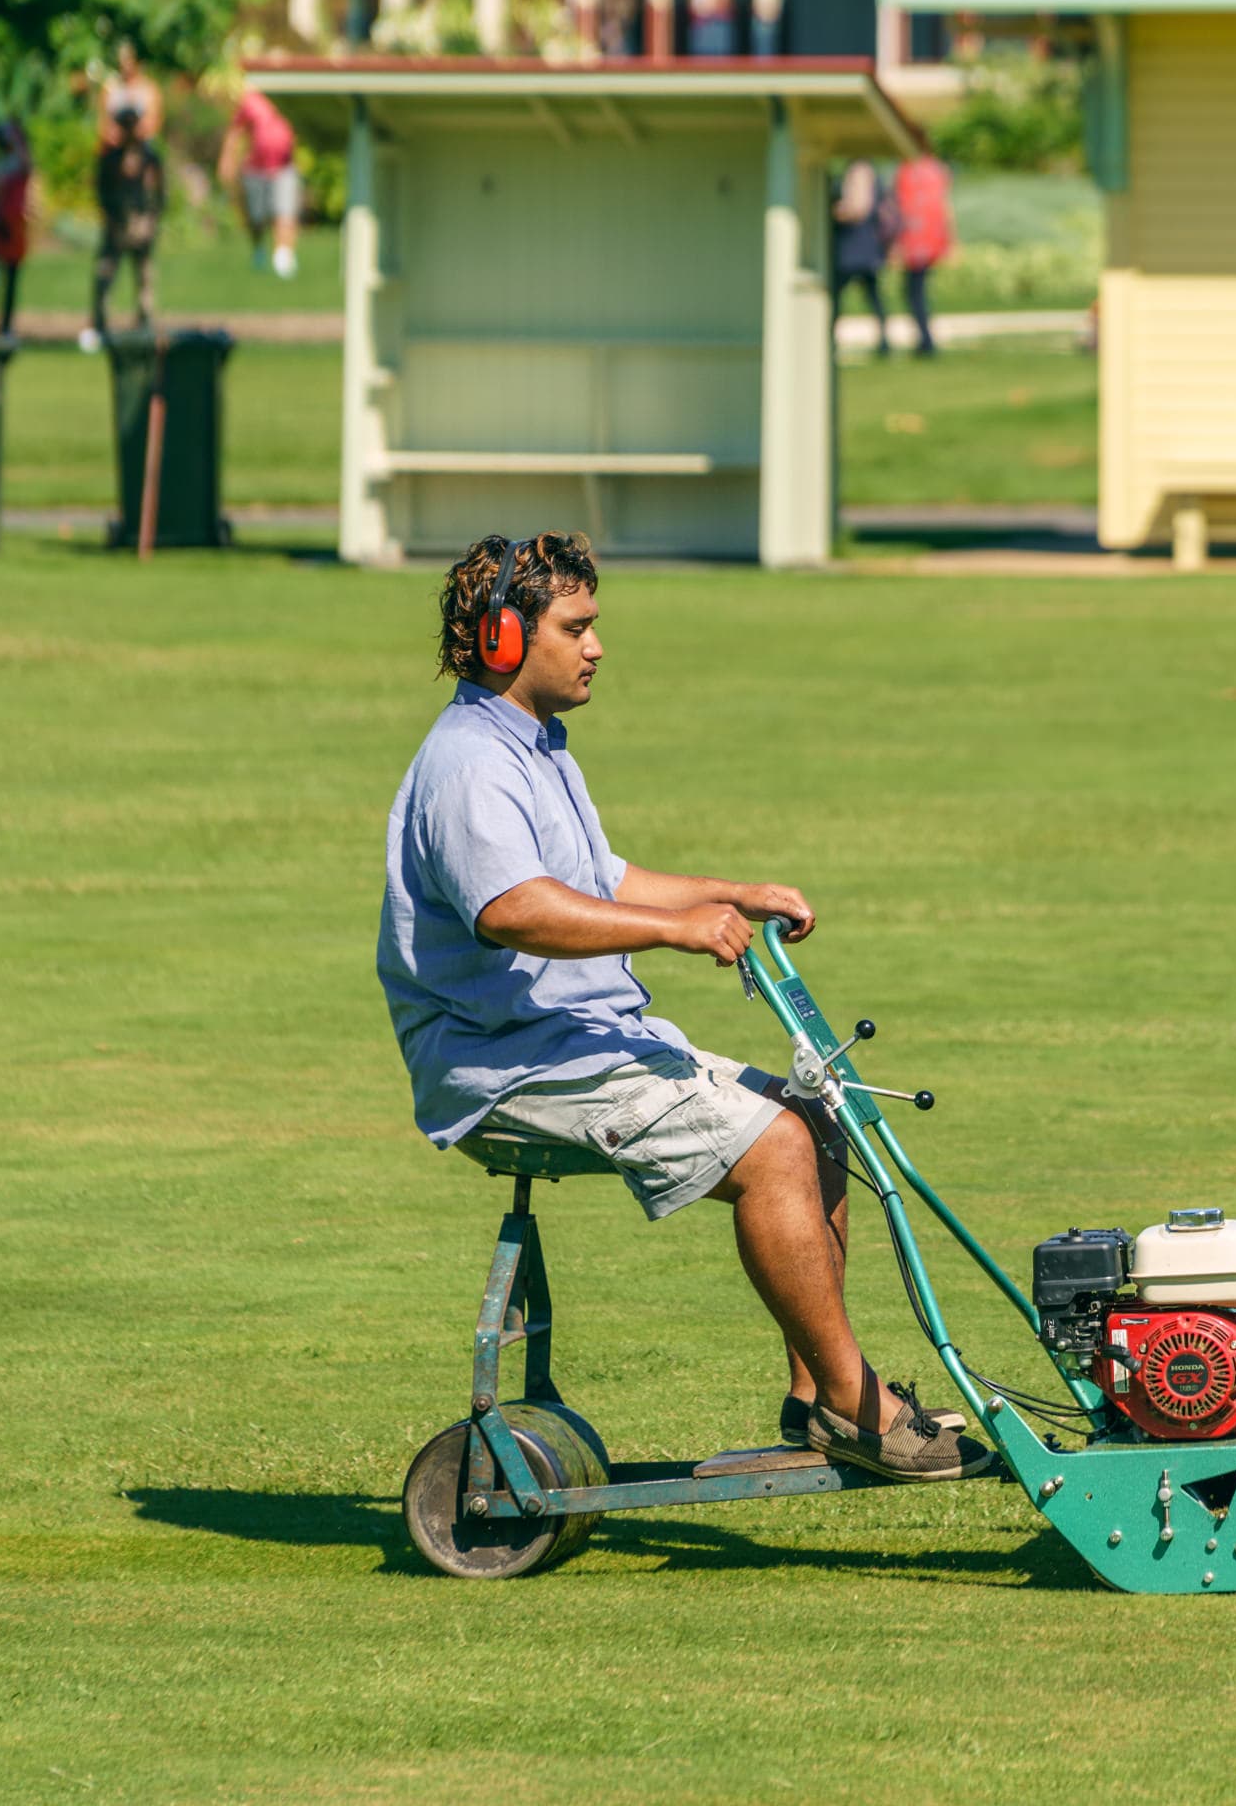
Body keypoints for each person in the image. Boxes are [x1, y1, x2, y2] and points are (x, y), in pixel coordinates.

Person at [378, 533, 995, 1484]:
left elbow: (599, 877)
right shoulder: (470, 764)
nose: (596, 647)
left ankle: (817, 1397)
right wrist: (677, 932)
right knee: (775, 1147)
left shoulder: (536, 747)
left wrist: (731, 893)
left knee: (820, 1116)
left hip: (580, 1040)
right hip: (510, 1064)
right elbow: (513, 909)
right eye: (576, 627)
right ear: (506, 639)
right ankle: (858, 1406)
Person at [85, 106, 162, 347]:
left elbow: (158, 193)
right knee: (105, 274)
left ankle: (145, 319)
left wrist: (151, 219)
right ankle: (99, 322)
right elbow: (102, 191)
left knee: (144, 277)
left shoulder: (149, 158)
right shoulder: (110, 158)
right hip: (117, 224)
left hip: (141, 223)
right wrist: (112, 217)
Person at [218, 87, 301, 279]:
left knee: (285, 212)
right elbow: (235, 134)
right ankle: (259, 251)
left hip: (283, 166)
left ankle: (283, 260)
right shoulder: (250, 101)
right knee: (257, 218)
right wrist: (227, 162)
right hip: (256, 169)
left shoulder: (288, 98)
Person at [893, 140, 956, 359]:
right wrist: (949, 241)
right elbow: (944, 207)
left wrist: (897, 244)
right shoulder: (937, 170)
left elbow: (901, 209)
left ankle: (925, 341)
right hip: (931, 240)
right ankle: (925, 339)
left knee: (914, 293)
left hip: (915, 241)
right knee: (917, 292)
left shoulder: (908, 170)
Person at [830, 158, 891, 357]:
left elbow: (856, 211)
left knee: (837, 299)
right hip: (868, 251)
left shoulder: (854, 177)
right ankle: (884, 342)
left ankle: (829, 339)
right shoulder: (877, 182)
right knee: (874, 299)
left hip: (850, 251)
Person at [0, 117, 31, 334]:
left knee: (10, 276)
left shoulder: (15, 164)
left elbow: (24, 162)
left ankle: (5, 324)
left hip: (12, 221)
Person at [98, 40, 163, 148]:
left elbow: (154, 120)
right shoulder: (110, 86)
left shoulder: (149, 88)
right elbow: (102, 120)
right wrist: (111, 132)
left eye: (128, 59)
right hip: (115, 144)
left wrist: (138, 131)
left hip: (141, 144)